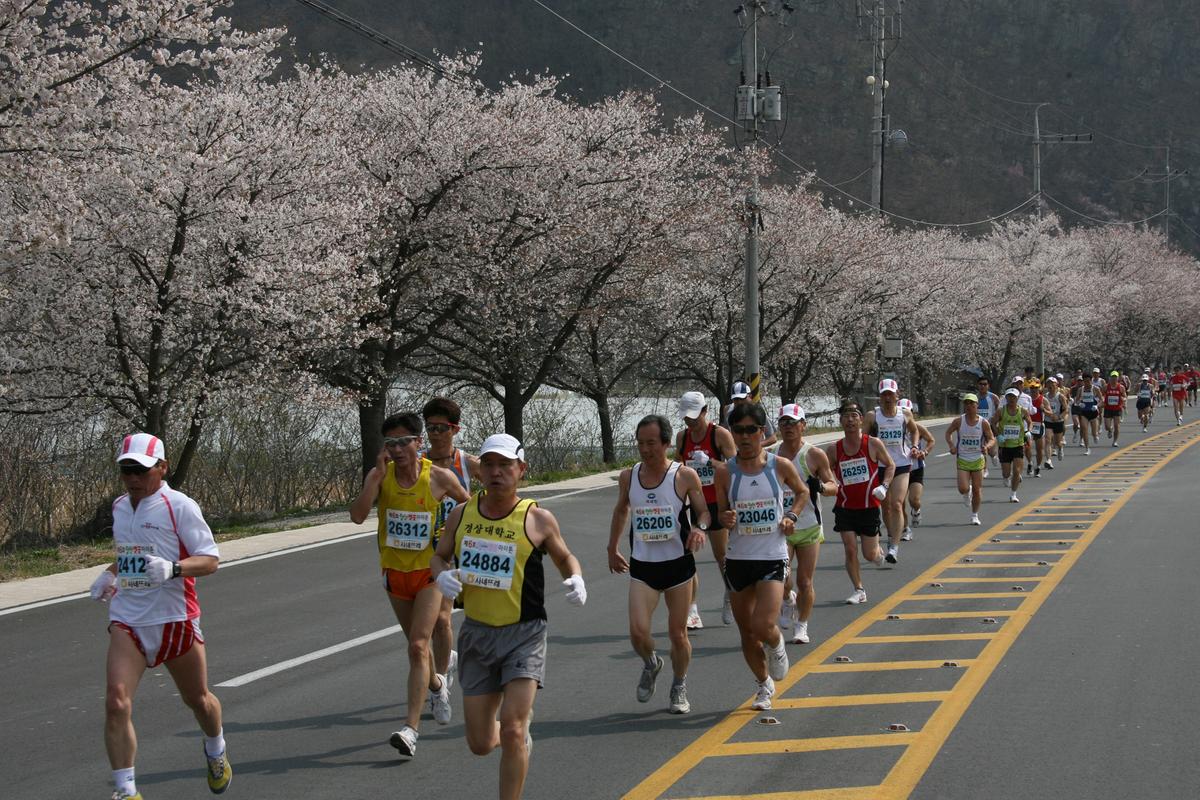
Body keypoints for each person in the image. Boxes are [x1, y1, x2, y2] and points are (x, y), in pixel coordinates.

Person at [431, 434, 586, 800]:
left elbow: (566, 557)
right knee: (481, 743)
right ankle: (516, 736)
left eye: (504, 465)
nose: (496, 472)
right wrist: (441, 573)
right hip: (478, 634)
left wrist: (576, 578)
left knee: (513, 729)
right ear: (479, 469)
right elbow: (440, 555)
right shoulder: (461, 513)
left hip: (525, 635)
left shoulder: (537, 518)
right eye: (488, 464)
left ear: (521, 469)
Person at [90, 433, 230, 800]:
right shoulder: (121, 506)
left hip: (175, 618)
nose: (133, 478)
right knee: (116, 700)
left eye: (141, 470)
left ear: (162, 468)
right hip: (129, 619)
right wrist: (110, 574)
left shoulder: (179, 506)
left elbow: (210, 561)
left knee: (198, 699)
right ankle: (125, 791)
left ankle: (215, 749)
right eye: (126, 470)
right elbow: (128, 553)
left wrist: (172, 569)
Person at [349, 412, 471, 758]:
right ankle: (436, 684)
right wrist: (374, 478)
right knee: (418, 650)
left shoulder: (439, 477)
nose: (398, 449)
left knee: (419, 646)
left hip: (429, 573)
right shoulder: (381, 477)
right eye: (391, 444)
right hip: (394, 575)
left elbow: (468, 507)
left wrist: (449, 536)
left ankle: (410, 730)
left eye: (405, 442)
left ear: (420, 443)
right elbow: (357, 515)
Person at [607, 415, 710, 714]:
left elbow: (703, 512)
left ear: (666, 443)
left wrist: (699, 529)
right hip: (644, 567)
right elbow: (621, 510)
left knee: (678, 634)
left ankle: (679, 684)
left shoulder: (684, 476)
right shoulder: (629, 476)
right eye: (640, 443)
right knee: (638, 633)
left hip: (678, 566)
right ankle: (651, 663)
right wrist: (612, 548)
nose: (645, 449)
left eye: (651, 443)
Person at [713, 403, 810, 711]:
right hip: (739, 557)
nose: (744, 437)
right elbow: (721, 511)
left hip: (772, 554)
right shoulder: (725, 472)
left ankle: (778, 644)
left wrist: (791, 515)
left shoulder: (779, 465)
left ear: (761, 432)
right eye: (738, 430)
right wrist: (726, 519)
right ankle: (763, 685)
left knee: (763, 625)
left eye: (751, 430)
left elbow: (802, 492)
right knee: (747, 632)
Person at [421, 396, 479, 708]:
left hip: (454, 552)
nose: (435, 433)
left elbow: (504, 485)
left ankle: (438, 683)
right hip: (423, 554)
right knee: (431, 624)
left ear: (454, 429)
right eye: (430, 427)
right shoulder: (418, 464)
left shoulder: (467, 463)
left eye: (441, 428)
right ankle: (441, 675)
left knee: (443, 621)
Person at [773, 403, 837, 645]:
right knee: (781, 579)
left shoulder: (814, 455)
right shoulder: (772, 456)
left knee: (805, 581)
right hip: (782, 528)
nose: (789, 427)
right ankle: (788, 600)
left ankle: (802, 625)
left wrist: (819, 487)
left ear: (803, 425)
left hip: (809, 525)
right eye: (784, 423)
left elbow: (834, 487)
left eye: (793, 422)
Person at [824, 400, 895, 606]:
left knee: (869, 554)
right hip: (845, 507)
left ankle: (877, 552)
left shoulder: (872, 443)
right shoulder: (834, 449)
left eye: (854, 416)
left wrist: (884, 486)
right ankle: (859, 589)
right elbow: (824, 471)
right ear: (841, 421)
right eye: (846, 416)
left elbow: (890, 465)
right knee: (850, 549)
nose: (850, 420)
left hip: (869, 507)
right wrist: (830, 481)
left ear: (861, 420)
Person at [676, 391, 737, 629]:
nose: (690, 422)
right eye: (686, 417)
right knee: (687, 556)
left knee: (721, 555)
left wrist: (710, 462)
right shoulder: (682, 437)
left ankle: (731, 593)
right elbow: (678, 468)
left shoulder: (719, 434)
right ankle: (692, 610)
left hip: (718, 502)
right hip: (695, 502)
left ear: (704, 411)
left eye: (694, 416)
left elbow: (735, 468)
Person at [865, 379, 919, 564]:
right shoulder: (873, 416)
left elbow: (915, 431)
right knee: (885, 507)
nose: (888, 398)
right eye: (884, 394)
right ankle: (890, 536)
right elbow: (863, 438)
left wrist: (915, 446)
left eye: (891, 394)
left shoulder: (905, 414)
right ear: (879, 397)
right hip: (879, 465)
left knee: (897, 504)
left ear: (897, 395)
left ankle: (894, 547)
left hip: (902, 464)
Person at [945, 394, 995, 525]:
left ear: (977, 405)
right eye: (966, 403)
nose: (969, 406)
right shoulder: (959, 421)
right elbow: (948, 433)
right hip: (963, 457)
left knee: (978, 489)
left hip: (978, 458)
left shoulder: (983, 422)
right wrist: (951, 446)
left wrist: (987, 446)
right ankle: (967, 492)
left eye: (971, 403)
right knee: (962, 488)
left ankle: (975, 515)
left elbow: (991, 438)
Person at [898, 398, 935, 540]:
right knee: (899, 503)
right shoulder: (893, 428)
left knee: (914, 500)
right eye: (901, 411)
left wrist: (924, 452)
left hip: (916, 469)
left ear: (913, 413)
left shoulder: (918, 428)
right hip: (900, 470)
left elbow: (931, 440)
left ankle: (916, 510)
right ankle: (906, 529)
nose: (905, 414)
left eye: (908, 411)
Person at [995, 388, 1032, 502]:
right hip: (1005, 445)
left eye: (1014, 397)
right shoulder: (1001, 411)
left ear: (1017, 398)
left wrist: (1028, 431)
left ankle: (1013, 494)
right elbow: (992, 422)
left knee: (1017, 471)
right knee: (1006, 473)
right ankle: (1006, 477)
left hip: (1018, 445)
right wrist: (998, 435)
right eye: (1009, 397)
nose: (1011, 399)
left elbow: (1030, 422)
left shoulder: (1023, 411)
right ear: (1006, 398)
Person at [722, 381, 777, 447]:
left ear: (750, 396)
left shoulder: (757, 411)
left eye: (742, 398)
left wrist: (753, 446)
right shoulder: (727, 410)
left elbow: (773, 438)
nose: (739, 402)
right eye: (736, 399)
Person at [975, 376, 1000, 476]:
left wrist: (996, 423)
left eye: (985, 384)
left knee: (991, 451)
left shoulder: (993, 397)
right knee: (981, 448)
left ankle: (994, 456)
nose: (982, 386)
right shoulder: (974, 398)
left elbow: (999, 411)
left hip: (990, 427)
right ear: (978, 385)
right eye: (980, 384)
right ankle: (985, 469)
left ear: (988, 386)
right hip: (978, 427)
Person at [1042, 375, 1068, 466]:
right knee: (1048, 440)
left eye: (1052, 384)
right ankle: (1048, 460)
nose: (1050, 386)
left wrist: (1060, 417)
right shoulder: (1044, 397)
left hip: (1058, 421)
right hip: (1048, 421)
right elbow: (1042, 409)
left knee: (1057, 442)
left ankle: (1060, 448)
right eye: (1048, 384)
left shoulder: (1060, 396)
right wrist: (1045, 412)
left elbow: (1066, 410)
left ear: (1056, 385)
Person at [1072, 371, 1099, 455]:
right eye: (1085, 381)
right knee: (1084, 429)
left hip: (1093, 412)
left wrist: (1097, 406)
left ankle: (1095, 436)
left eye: (1088, 381)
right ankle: (1087, 448)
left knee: (1094, 432)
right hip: (1084, 412)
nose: (1087, 383)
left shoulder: (1095, 389)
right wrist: (1080, 404)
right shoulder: (1081, 389)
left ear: (1091, 380)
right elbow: (1076, 401)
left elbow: (1102, 400)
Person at [1102, 371, 1127, 446]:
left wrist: (1124, 399)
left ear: (1118, 378)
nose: (1114, 378)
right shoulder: (1106, 386)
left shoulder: (1121, 387)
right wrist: (1102, 400)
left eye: (1115, 377)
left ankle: (1115, 441)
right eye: (1112, 377)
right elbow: (1102, 395)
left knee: (1117, 426)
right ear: (1110, 378)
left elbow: (1124, 396)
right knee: (1107, 427)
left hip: (1117, 409)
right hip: (1108, 408)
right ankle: (1110, 430)